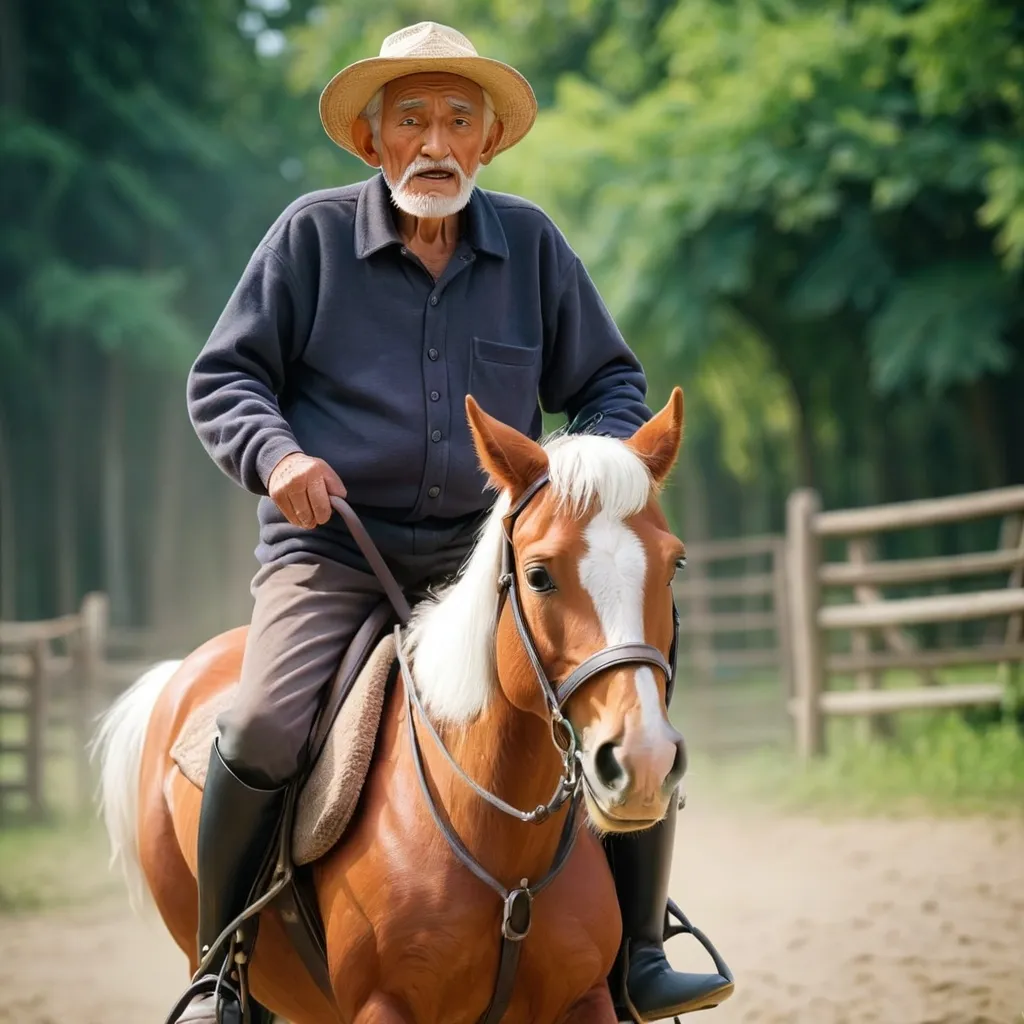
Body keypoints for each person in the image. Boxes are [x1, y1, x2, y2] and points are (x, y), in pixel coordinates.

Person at [180, 21, 723, 1023]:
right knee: (260, 723)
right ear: (372, 142)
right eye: (412, 119)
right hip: (333, 553)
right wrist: (278, 456)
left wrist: (584, 473)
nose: (435, 141)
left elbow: (608, 382)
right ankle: (225, 968)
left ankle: (640, 949)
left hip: (496, 560)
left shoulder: (535, 247)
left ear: (488, 144)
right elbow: (226, 378)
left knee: (624, 687)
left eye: (458, 120)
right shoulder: (306, 237)